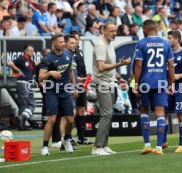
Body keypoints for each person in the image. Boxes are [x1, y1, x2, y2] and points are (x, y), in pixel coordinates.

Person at [134, 19, 175, 156]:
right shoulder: (165, 43)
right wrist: (171, 83)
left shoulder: (142, 43)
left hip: (146, 82)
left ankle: (147, 145)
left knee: (144, 111)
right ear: (157, 29)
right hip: (160, 82)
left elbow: (139, 65)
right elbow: (171, 66)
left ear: (145, 29)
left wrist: (136, 82)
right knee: (160, 113)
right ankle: (159, 147)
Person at [91, 23, 131, 156]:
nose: (114, 33)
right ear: (104, 31)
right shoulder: (100, 45)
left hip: (110, 82)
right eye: (111, 31)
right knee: (106, 114)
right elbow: (101, 67)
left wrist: (119, 78)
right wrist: (120, 64)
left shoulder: (110, 43)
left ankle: (104, 145)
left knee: (109, 114)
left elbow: (110, 68)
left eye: (115, 31)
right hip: (101, 83)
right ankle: (97, 147)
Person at [39, 34, 76, 155]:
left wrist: (74, 86)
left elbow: (70, 70)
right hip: (52, 92)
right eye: (60, 42)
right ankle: (45, 146)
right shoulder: (48, 58)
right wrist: (50, 72)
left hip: (65, 91)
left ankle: (66, 139)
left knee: (70, 120)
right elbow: (40, 77)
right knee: (52, 119)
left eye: (63, 42)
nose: (63, 44)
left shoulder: (67, 54)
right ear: (53, 43)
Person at [70, 31, 93, 145]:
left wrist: (86, 78)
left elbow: (82, 67)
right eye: (73, 40)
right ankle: (67, 138)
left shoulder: (80, 51)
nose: (76, 42)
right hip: (73, 83)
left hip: (82, 83)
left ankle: (81, 137)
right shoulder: (68, 53)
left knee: (81, 110)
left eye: (77, 39)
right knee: (70, 112)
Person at [8, 45, 36, 131]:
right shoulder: (21, 59)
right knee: (23, 104)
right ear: (26, 51)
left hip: (29, 84)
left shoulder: (30, 60)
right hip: (22, 83)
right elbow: (10, 63)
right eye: (31, 51)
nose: (33, 52)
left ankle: (22, 118)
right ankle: (21, 125)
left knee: (32, 104)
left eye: (33, 51)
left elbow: (34, 65)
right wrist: (18, 70)